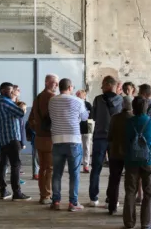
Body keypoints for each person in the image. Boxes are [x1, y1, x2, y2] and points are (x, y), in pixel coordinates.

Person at [48, 78, 89, 212]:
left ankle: (56, 201)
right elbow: (84, 117)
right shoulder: (78, 101)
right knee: (74, 173)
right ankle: (73, 203)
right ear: (70, 87)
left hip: (57, 140)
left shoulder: (52, 100)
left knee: (57, 173)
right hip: (73, 140)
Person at [123, 97, 151, 229]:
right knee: (149, 193)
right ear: (147, 109)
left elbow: (125, 140)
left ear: (133, 108)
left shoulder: (128, 122)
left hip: (131, 160)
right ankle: (146, 224)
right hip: (150, 161)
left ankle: (129, 223)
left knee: (130, 192)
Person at [89, 75, 123, 207]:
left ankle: (94, 197)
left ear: (109, 85)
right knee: (115, 170)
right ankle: (112, 198)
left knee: (96, 168)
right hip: (115, 139)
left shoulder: (98, 99)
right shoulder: (121, 100)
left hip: (99, 137)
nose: (101, 88)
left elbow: (94, 116)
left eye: (103, 85)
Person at [0, 82, 31, 201]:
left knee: (3, 164)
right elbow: (20, 113)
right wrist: (23, 107)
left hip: (3, 139)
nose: (12, 93)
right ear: (3, 91)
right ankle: (17, 193)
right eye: (10, 91)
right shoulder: (6, 102)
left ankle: (3, 190)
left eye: (13, 91)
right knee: (15, 165)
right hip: (12, 138)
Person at [28, 74, 59, 205]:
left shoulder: (37, 98)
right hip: (49, 138)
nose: (56, 85)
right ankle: (46, 195)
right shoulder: (52, 98)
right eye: (54, 83)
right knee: (49, 169)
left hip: (39, 138)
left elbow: (30, 120)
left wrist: (38, 129)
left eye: (57, 83)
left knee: (43, 168)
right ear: (47, 82)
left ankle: (44, 194)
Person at [106, 96, 133, 215]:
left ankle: (112, 207)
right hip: (130, 154)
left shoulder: (114, 118)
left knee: (114, 180)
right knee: (130, 182)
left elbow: (109, 136)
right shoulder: (133, 119)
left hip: (115, 153)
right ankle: (128, 209)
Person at [76, 89, 93, 173]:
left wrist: (90, 130)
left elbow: (92, 116)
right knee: (78, 147)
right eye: (77, 95)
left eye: (80, 94)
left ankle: (86, 165)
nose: (78, 96)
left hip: (87, 126)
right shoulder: (75, 104)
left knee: (87, 147)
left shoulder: (88, 105)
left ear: (84, 96)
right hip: (77, 128)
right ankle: (77, 165)